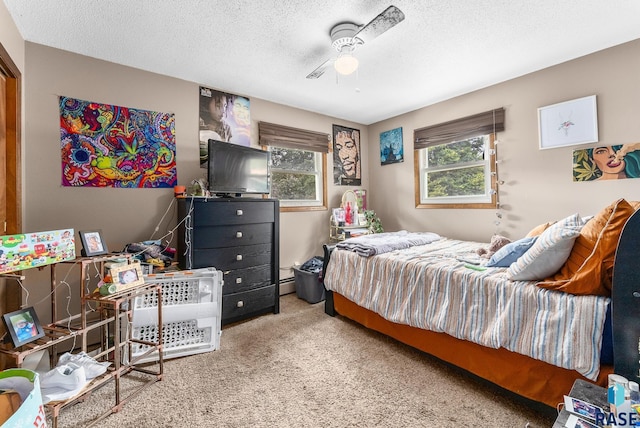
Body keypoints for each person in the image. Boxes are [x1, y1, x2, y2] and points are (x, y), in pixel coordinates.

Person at [199, 91, 232, 166]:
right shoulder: (200, 124)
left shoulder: (226, 128)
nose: (223, 111)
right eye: (218, 106)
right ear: (207, 104)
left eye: (225, 106)